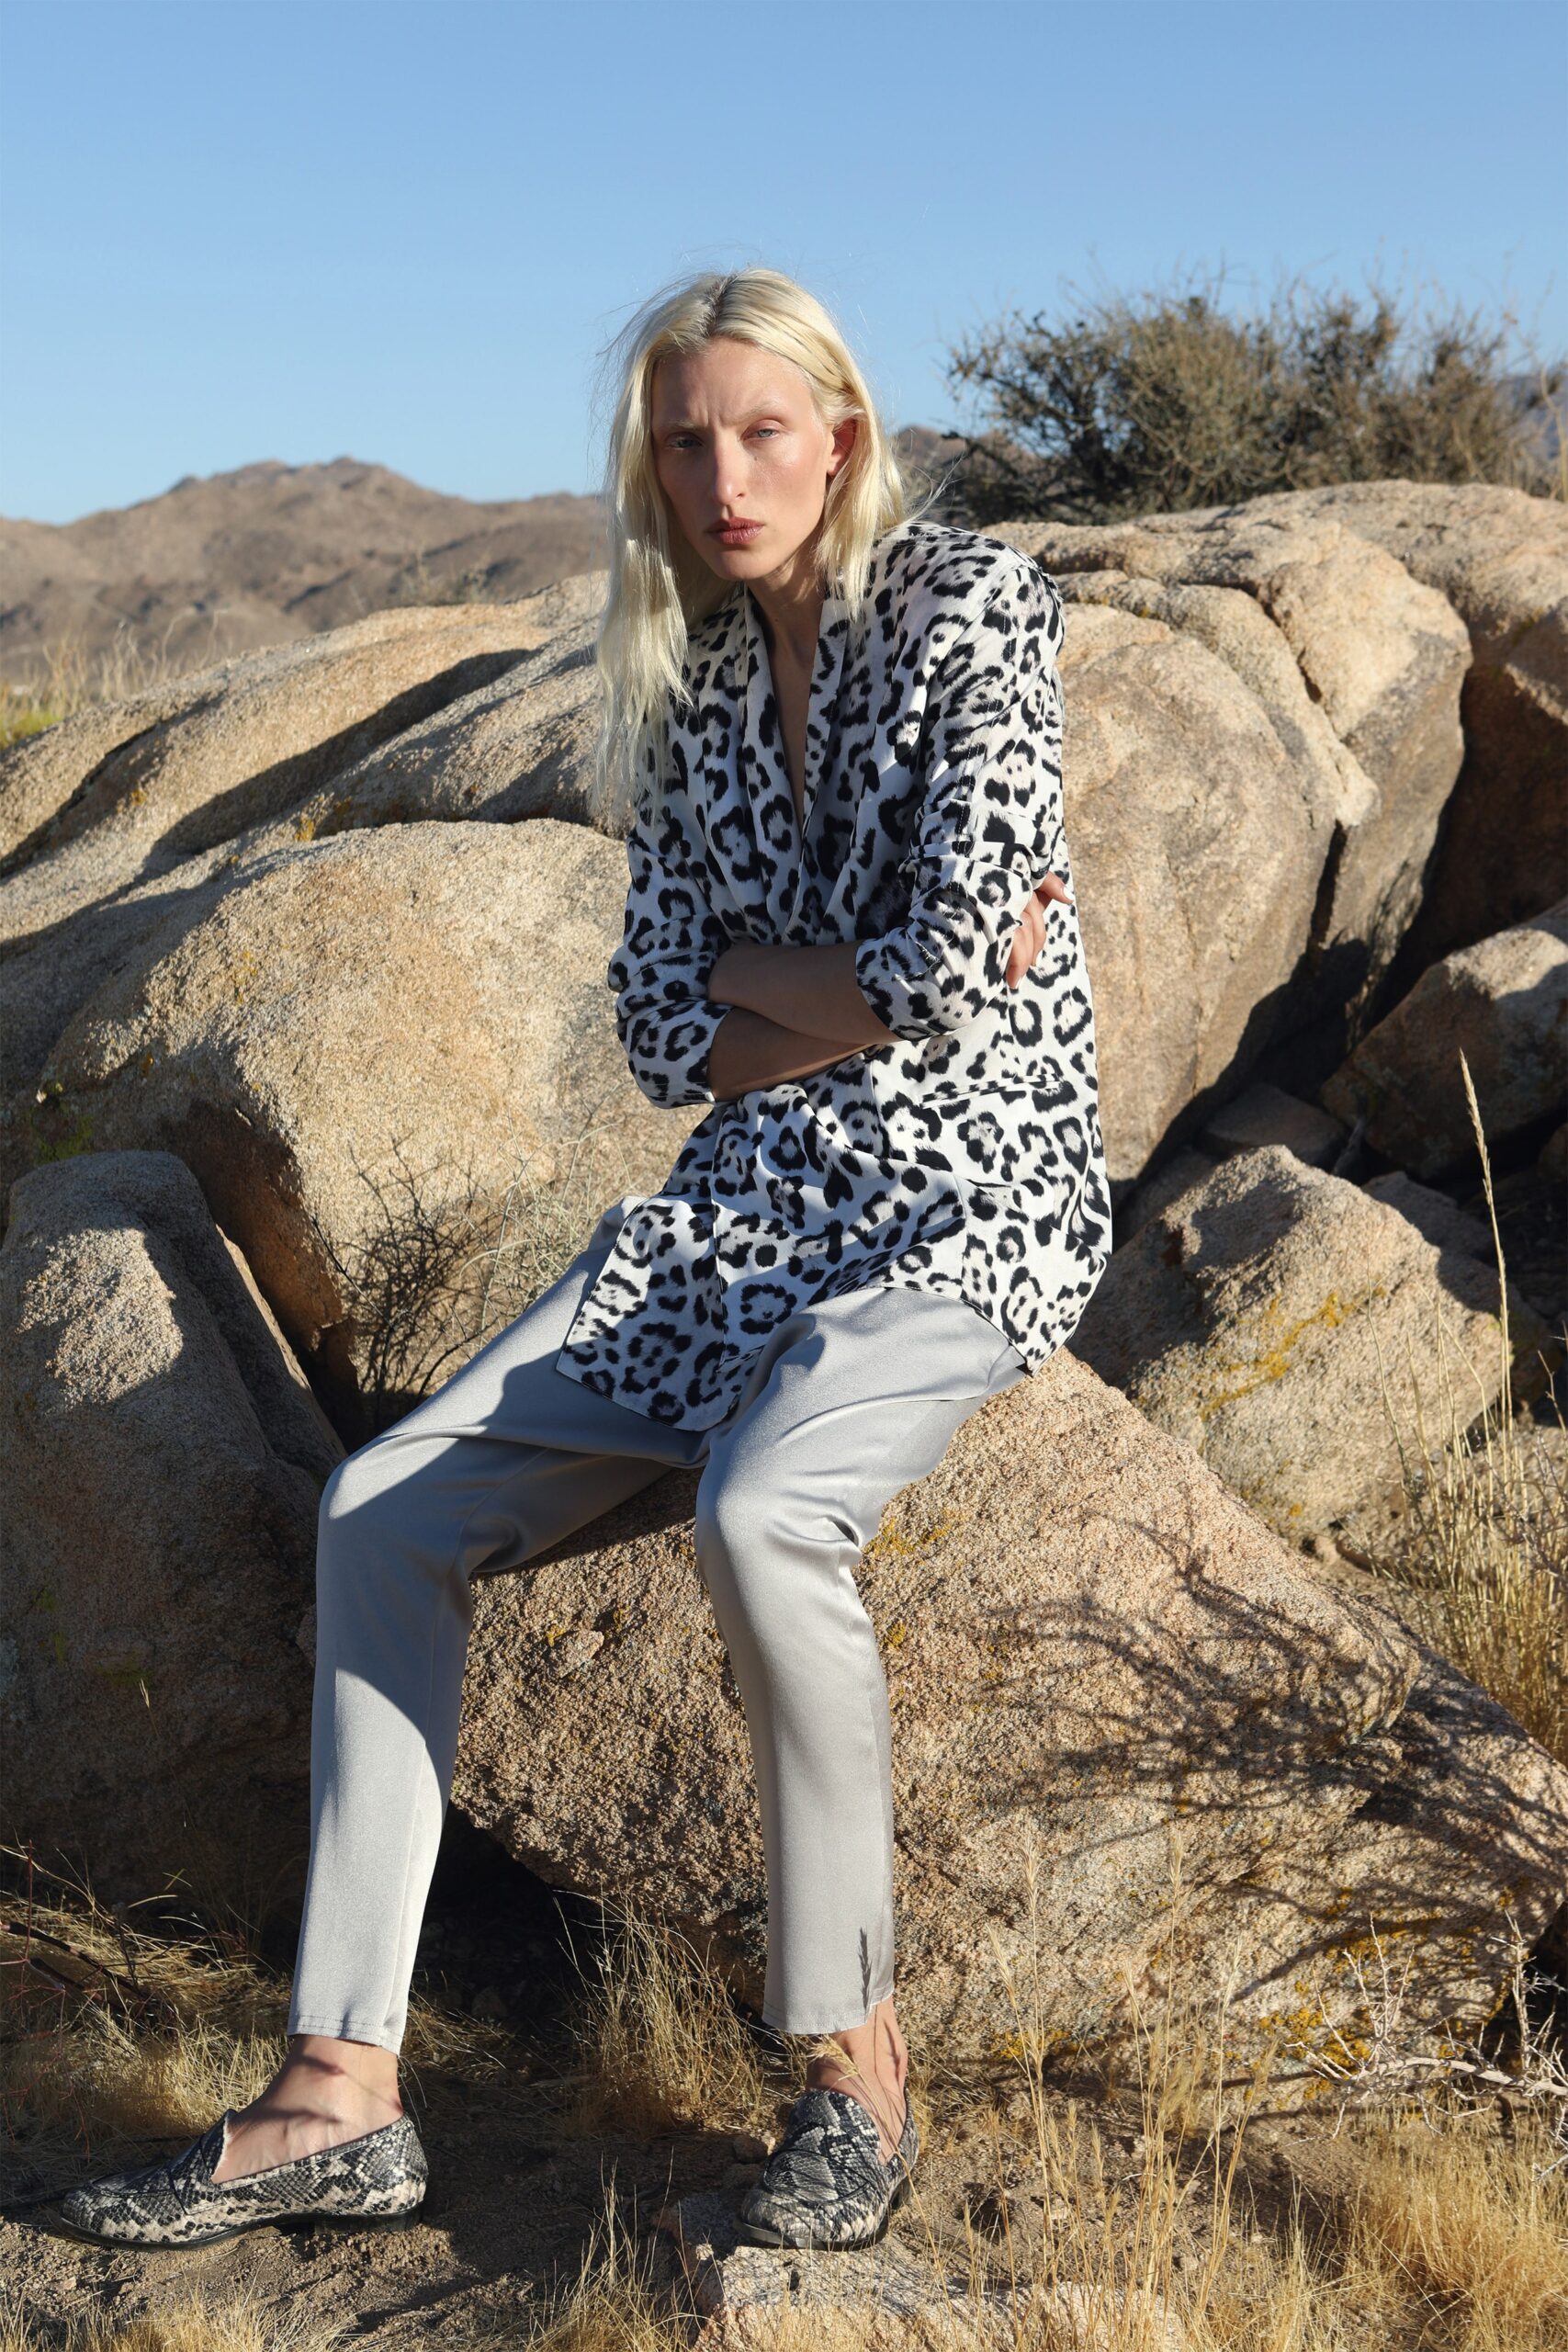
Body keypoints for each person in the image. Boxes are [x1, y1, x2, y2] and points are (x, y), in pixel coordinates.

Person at [59, 266, 1111, 2257]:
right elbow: (655, 1028)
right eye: (684, 440)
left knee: (763, 1502)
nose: (722, 476)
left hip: (972, 1197)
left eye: (760, 431)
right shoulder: (698, 682)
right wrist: (852, 991)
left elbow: (955, 976)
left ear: (841, 436)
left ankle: (846, 2063)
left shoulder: (970, 609)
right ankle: (339, 2091)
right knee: (381, 1507)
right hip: (740, 1210)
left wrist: (805, 988)